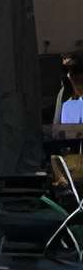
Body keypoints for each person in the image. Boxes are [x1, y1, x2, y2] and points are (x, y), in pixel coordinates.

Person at [50, 53, 83, 198]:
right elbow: (57, 129)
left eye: (74, 72)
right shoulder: (64, 94)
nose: (70, 76)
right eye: (68, 73)